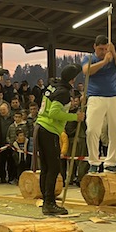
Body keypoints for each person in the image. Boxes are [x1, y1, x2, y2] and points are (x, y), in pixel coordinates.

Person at [35, 64, 85, 216]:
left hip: (40, 127)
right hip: (49, 130)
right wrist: (74, 117)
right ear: (72, 79)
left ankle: (46, 200)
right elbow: (54, 113)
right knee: (54, 168)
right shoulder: (63, 92)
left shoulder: (53, 86)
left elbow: (56, 107)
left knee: (46, 168)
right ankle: (49, 203)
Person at [82, 35, 116, 173]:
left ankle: (110, 162)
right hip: (95, 97)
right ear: (94, 47)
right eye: (100, 49)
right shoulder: (89, 58)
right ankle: (94, 162)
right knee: (92, 130)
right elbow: (87, 71)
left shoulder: (112, 57)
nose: (103, 52)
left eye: (105, 49)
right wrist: (104, 62)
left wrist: (114, 53)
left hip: (114, 97)